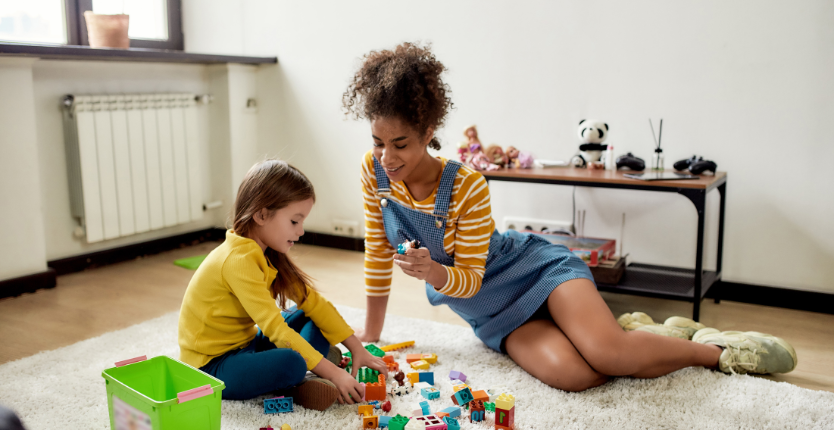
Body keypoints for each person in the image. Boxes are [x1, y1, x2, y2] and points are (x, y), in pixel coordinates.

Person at [342, 42, 797, 392]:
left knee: (611, 356)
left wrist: (434, 272)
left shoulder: (466, 185)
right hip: (496, 316)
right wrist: (373, 333)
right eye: (378, 141)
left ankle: (715, 350)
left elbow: (471, 278)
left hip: (532, 272)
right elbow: (377, 253)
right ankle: (635, 330)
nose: (386, 156)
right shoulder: (373, 173)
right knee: (582, 376)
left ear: (427, 133)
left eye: (400, 144)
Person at [178, 159, 387, 409]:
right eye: (294, 222)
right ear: (262, 214)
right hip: (211, 366)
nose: (300, 232)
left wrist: (357, 348)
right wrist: (335, 373)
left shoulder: (264, 251)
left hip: (247, 345)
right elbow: (276, 330)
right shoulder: (237, 261)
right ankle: (304, 378)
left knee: (312, 316)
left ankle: (308, 372)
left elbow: (314, 302)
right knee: (292, 362)